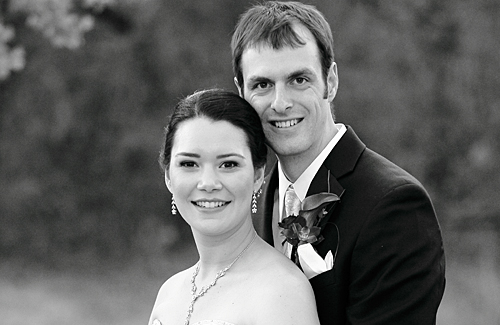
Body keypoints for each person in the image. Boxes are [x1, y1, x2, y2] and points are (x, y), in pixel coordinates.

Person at [231, 1, 446, 324]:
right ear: (242, 93)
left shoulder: (394, 205)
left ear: (330, 81)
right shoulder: (254, 197)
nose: (281, 103)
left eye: (298, 80)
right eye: (262, 85)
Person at [148, 89, 320, 325]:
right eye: (189, 163)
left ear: (258, 174)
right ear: (168, 175)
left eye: (228, 164)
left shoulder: (282, 292)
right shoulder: (169, 294)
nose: (208, 183)